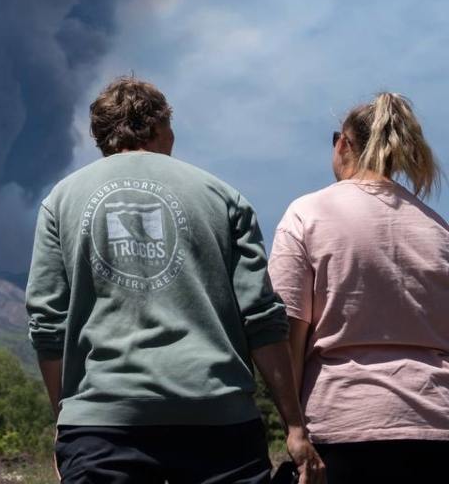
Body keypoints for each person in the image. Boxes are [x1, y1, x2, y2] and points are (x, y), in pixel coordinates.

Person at [26, 76, 323, 484]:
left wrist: (67, 419)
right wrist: (295, 426)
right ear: (160, 126)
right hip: (218, 425)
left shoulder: (60, 201)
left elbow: (47, 323)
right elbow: (261, 318)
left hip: (102, 427)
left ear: (102, 137)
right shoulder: (223, 197)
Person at [268, 93, 449, 482]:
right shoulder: (438, 229)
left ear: (344, 144)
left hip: (343, 429)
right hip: (436, 428)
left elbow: (286, 334)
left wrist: (294, 428)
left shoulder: (307, 213)